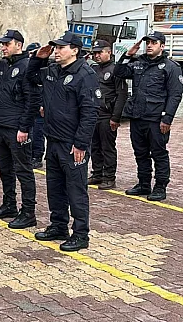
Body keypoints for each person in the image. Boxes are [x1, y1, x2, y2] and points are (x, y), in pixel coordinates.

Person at [26, 32, 100, 252]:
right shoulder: (52, 71)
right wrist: (38, 58)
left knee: (76, 190)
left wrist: (80, 144)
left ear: (75, 50)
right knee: (55, 187)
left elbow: (90, 112)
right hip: (54, 140)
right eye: (55, 48)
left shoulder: (84, 74)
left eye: (61, 47)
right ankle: (58, 226)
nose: (56, 51)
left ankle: (80, 234)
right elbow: (31, 77)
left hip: (72, 144)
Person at [0, 30, 41, 229]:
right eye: (2, 45)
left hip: (17, 128)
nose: (3, 48)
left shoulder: (26, 67)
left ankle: (29, 211)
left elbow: (32, 101)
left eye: (7, 44)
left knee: (23, 170)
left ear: (19, 45)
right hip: (0, 125)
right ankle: (9, 204)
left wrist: (24, 128)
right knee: (4, 169)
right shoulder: (1, 65)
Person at [113, 31, 183, 201]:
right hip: (137, 116)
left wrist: (167, 118)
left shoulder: (170, 67)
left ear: (162, 46)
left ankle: (160, 187)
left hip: (156, 119)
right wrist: (128, 55)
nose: (150, 45)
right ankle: (144, 184)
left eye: (154, 42)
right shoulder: (139, 63)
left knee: (159, 153)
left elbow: (175, 94)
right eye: (148, 42)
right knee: (140, 152)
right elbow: (119, 72)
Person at [88, 40, 128, 189]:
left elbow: (122, 95)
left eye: (100, 52)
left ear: (108, 52)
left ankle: (109, 177)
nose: (97, 55)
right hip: (93, 114)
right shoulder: (93, 69)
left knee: (107, 147)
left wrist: (115, 117)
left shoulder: (115, 70)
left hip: (107, 115)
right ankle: (97, 174)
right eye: (95, 53)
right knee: (95, 146)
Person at [26, 43, 46, 169]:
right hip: (28, 106)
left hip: (39, 106)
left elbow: (46, 88)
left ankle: (37, 157)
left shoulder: (43, 68)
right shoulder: (27, 68)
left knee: (38, 132)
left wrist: (42, 104)